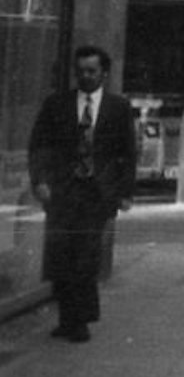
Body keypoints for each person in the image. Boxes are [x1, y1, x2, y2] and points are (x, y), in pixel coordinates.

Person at [27, 45, 137, 343]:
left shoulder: (118, 107)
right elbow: (39, 145)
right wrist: (39, 180)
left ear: (104, 72)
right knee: (61, 255)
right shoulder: (57, 104)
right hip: (62, 191)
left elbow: (128, 152)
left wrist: (125, 191)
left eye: (91, 71)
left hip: (97, 194)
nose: (85, 77)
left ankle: (80, 320)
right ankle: (68, 318)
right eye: (81, 71)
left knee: (86, 256)